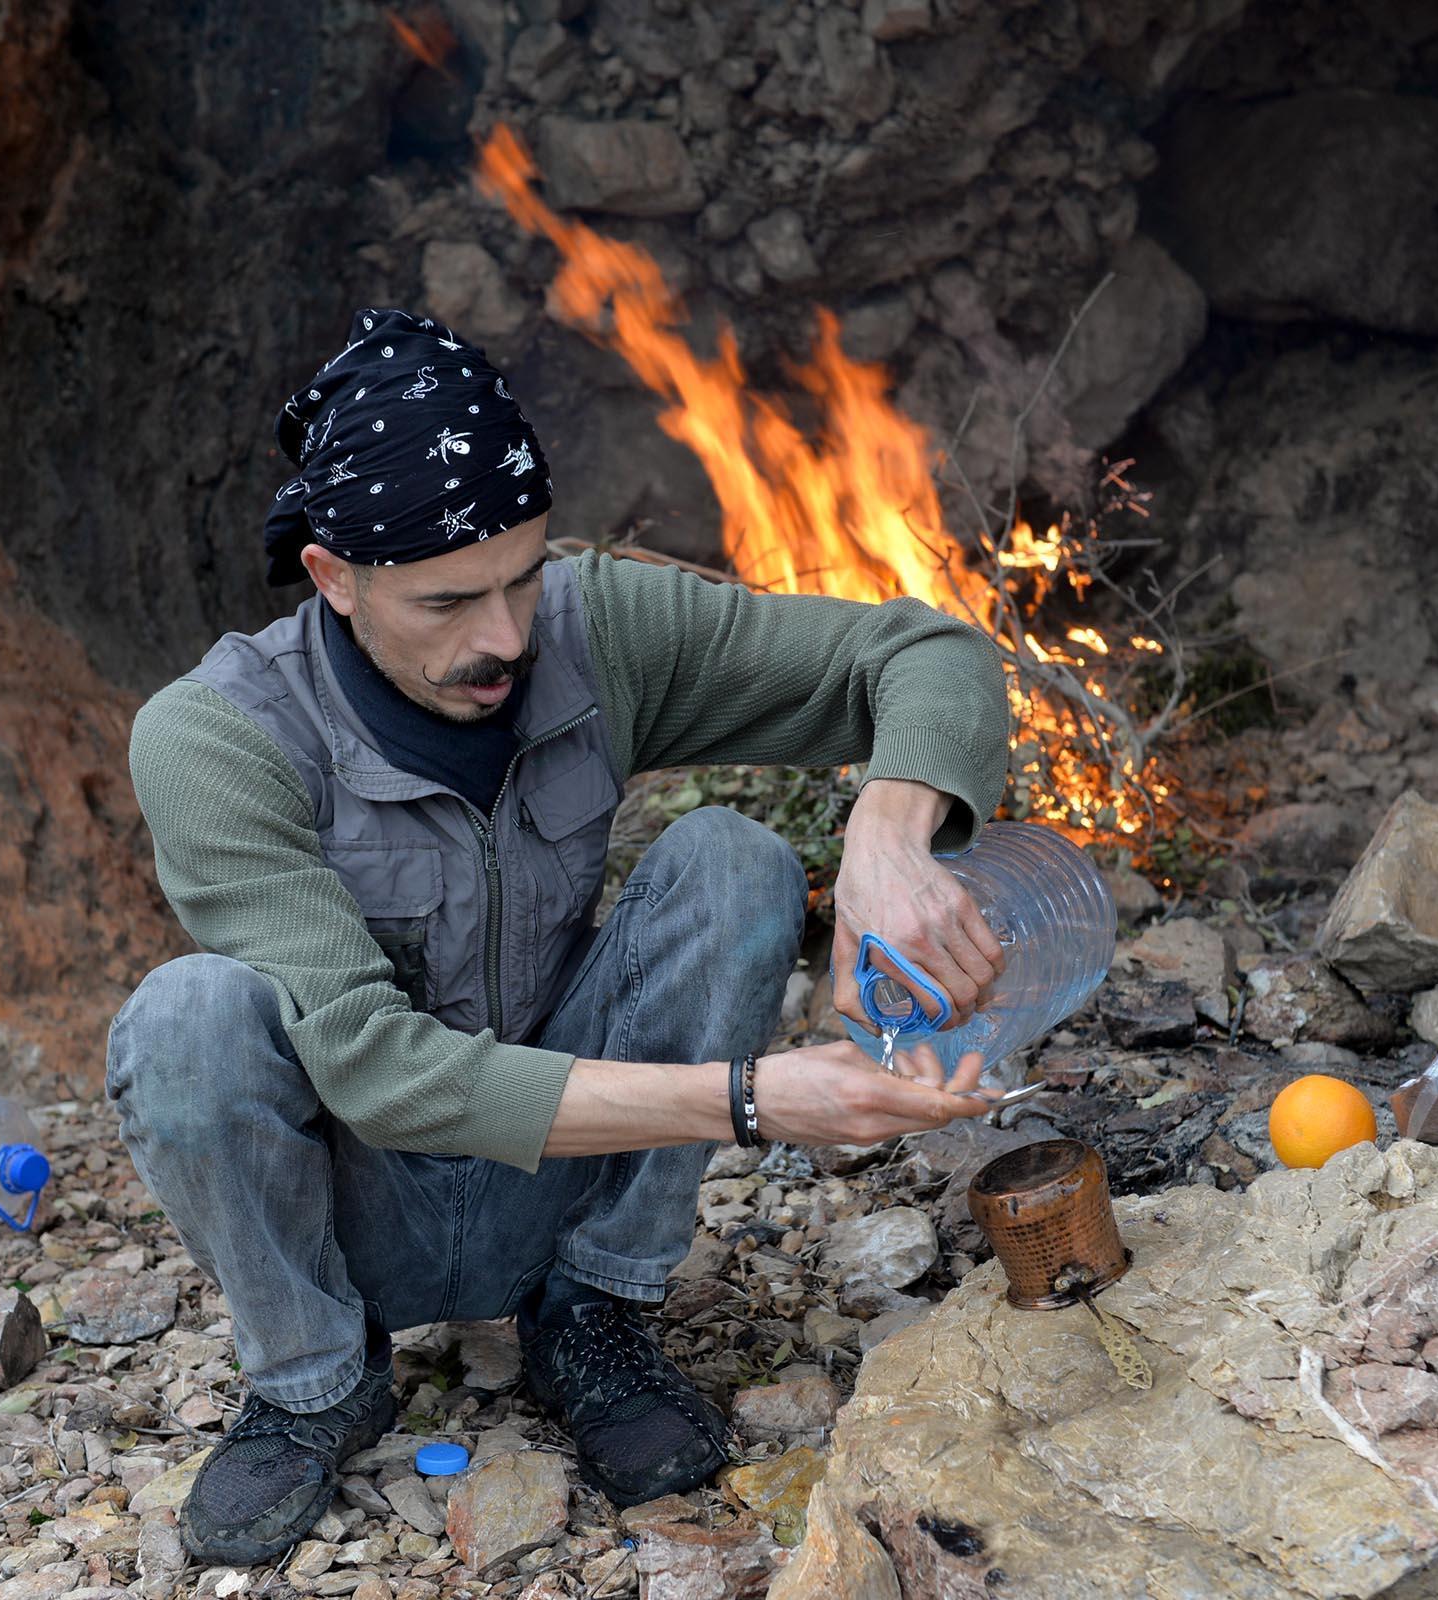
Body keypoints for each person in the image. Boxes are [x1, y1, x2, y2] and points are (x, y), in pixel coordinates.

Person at [108, 308, 1014, 1566]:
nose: (507, 638)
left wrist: (892, 835)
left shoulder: (601, 630)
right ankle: (311, 1379)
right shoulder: (217, 738)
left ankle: (593, 1313)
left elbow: (928, 651)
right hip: (359, 1205)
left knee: (734, 862)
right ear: (333, 576)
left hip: (568, 1169)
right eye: (449, 601)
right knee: (187, 1016)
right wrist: (750, 1099)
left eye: (526, 574)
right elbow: (376, 1068)